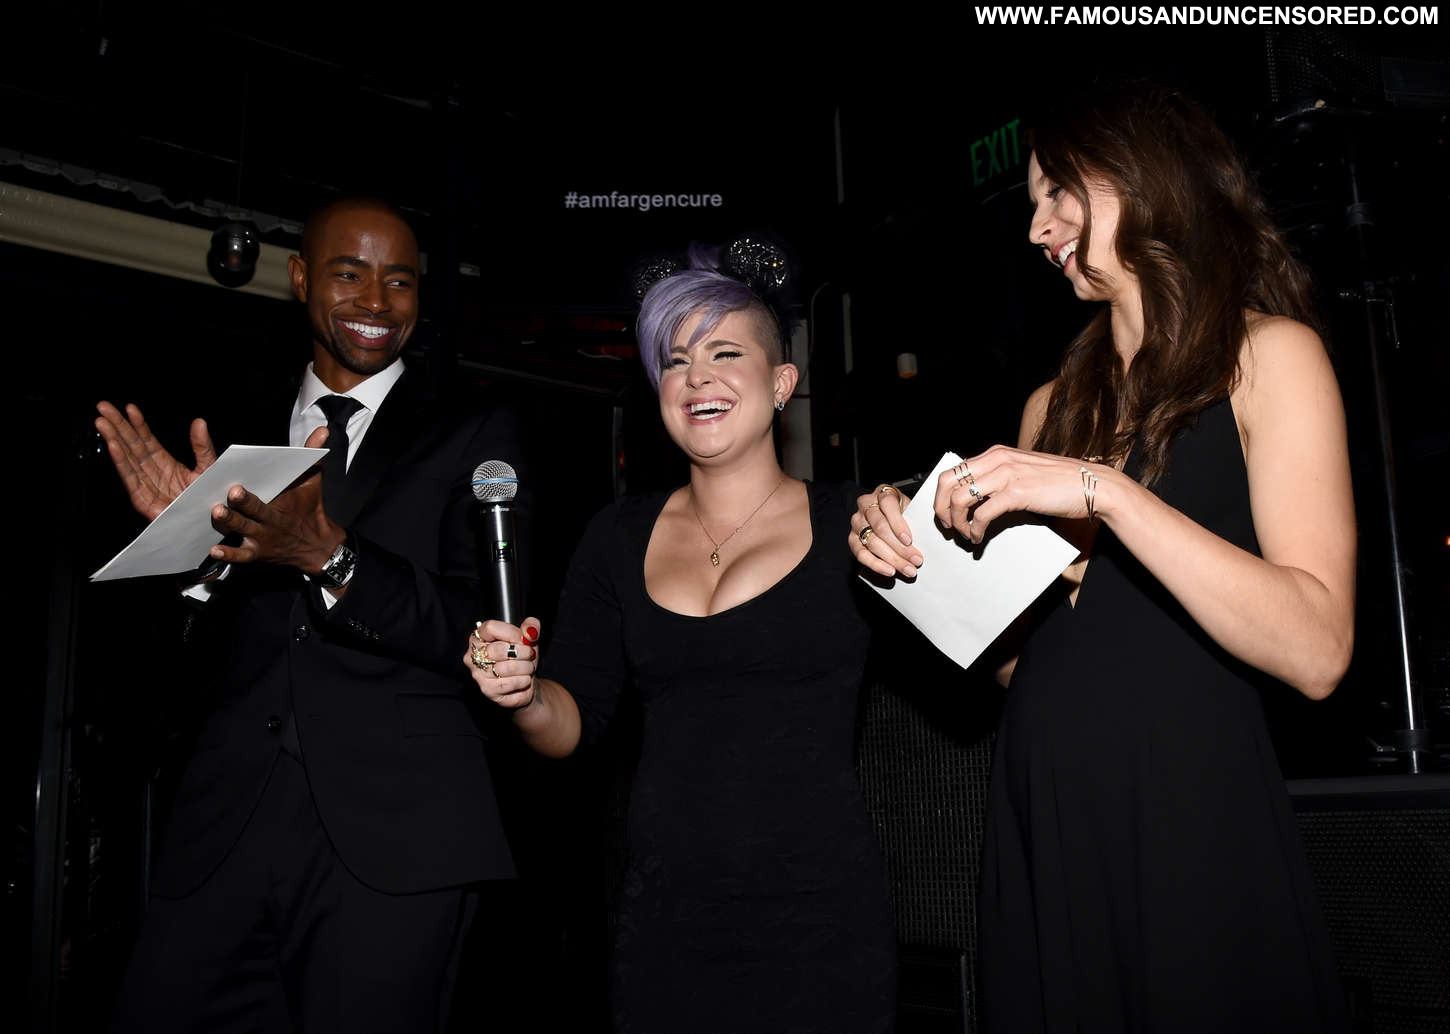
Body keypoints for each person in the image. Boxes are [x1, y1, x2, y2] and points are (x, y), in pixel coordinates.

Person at [850, 84, 1354, 1033]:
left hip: (1188, 799)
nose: (1036, 227)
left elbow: (1319, 650)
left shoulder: (1268, 356)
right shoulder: (1049, 409)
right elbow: (1022, 660)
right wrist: (914, 558)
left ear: (1139, 175)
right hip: (1044, 796)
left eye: (1058, 191)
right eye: (1032, 202)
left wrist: (1108, 493)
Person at [98, 197, 525, 1033]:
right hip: (223, 828)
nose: (376, 301)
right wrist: (187, 547)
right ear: (299, 279)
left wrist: (331, 556)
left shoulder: (474, 428)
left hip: (396, 835)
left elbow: (483, 628)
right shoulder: (229, 422)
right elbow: (159, 659)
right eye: (349, 273)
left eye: (399, 281)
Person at [465, 245, 897, 1033]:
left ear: (782, 382)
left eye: (725, 353)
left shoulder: (854, 523)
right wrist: (522, 694)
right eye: (675, 360)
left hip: (820, 920)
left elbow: (983, 651)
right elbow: (572, 720)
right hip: (663, 919)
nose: (698, 376)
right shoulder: (615, 536)